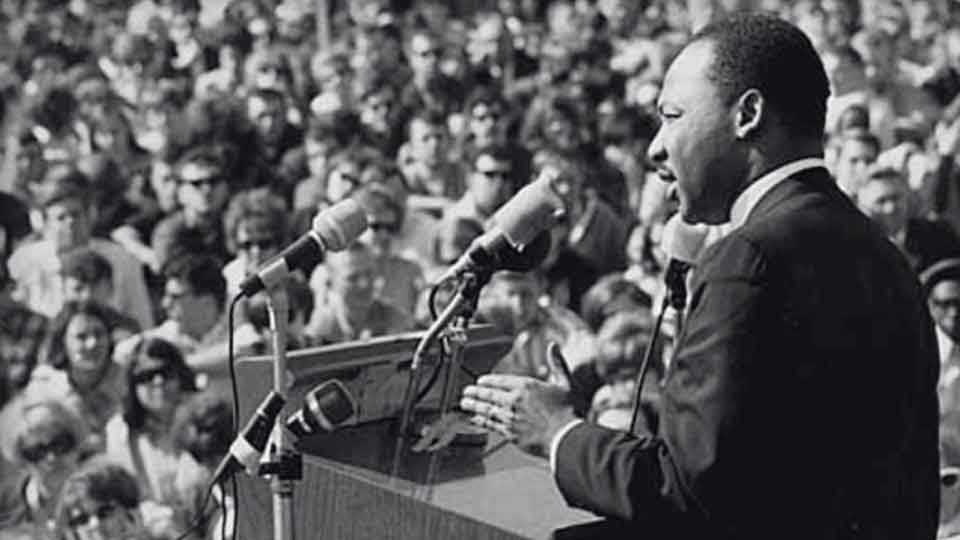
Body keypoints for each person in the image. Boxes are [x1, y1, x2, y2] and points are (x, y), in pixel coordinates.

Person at [461, 14, 940, 539]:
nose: (655, 147)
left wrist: (557, 431)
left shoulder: (748, 258)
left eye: (673, 116)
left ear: (748, 115)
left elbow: (685, 489)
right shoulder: (886, 258)